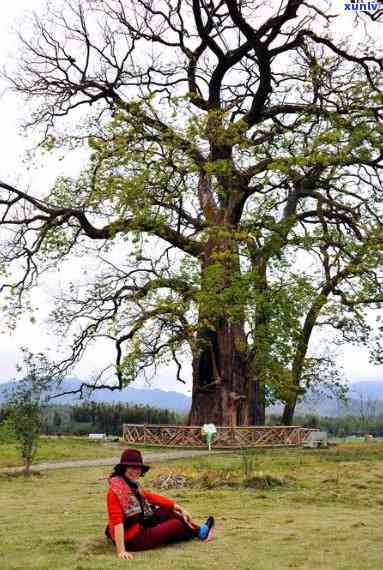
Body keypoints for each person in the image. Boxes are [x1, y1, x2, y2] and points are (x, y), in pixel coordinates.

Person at [105, 448, 215, 560]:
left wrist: (178, 507)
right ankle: (193, 532)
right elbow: (117, 522)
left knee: (166, 510)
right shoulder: (116, 491)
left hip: (140, 524)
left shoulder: (130, 485)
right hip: (132, 539)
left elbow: (150, 496)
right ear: (124, 468)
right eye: (132, 467)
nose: (136, 471)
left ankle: (200, 531)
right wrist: (121, 551)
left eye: (138, 468)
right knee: (176, 525)